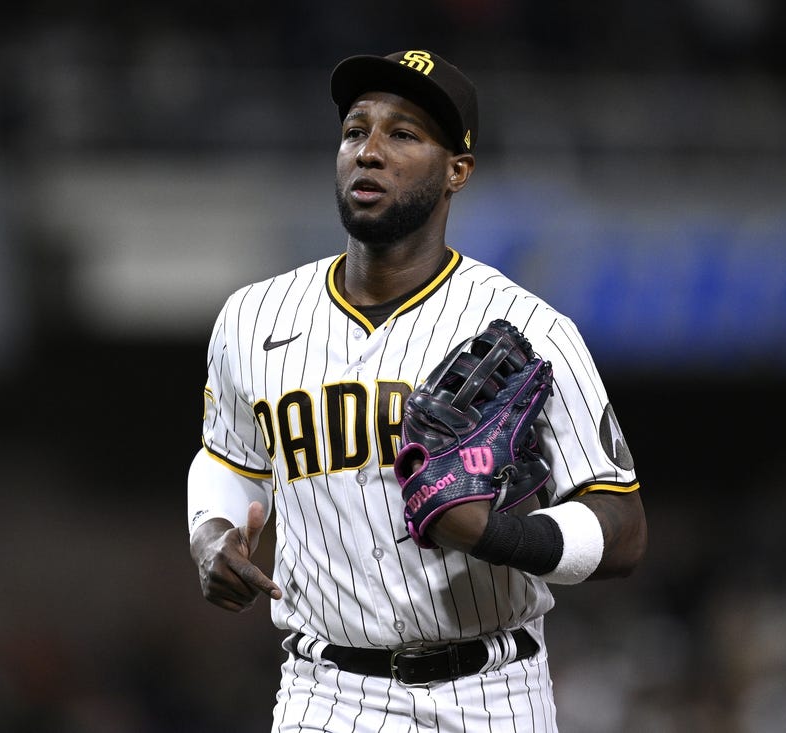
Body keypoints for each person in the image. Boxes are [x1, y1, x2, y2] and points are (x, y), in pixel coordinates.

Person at [186, 49, 647, 732]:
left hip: (490, 691)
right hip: (324, 693)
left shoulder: (530, 328)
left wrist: (495, 533)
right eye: (354, 131)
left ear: (456, 169)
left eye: (402, 134)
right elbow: (227, 458)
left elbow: (622, 528)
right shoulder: (251, 319)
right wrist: (211, 534)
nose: (368, 151)